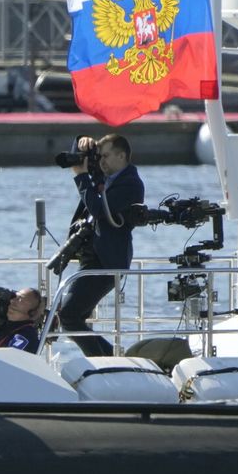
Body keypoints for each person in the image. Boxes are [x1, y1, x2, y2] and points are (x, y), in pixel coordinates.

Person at [55, 135, 145, 358]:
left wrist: (81, 177)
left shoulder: (131, 183)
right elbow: (77, 154)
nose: (101, 161)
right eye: (100, 156)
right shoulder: (103, 176)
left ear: (121, 155)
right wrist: (82, 141)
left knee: (68, 315)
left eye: (106, 156)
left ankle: (108, 359)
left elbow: (98, 209)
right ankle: (108, 359)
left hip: (108, 260)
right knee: (73, 315)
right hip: (91, 257)